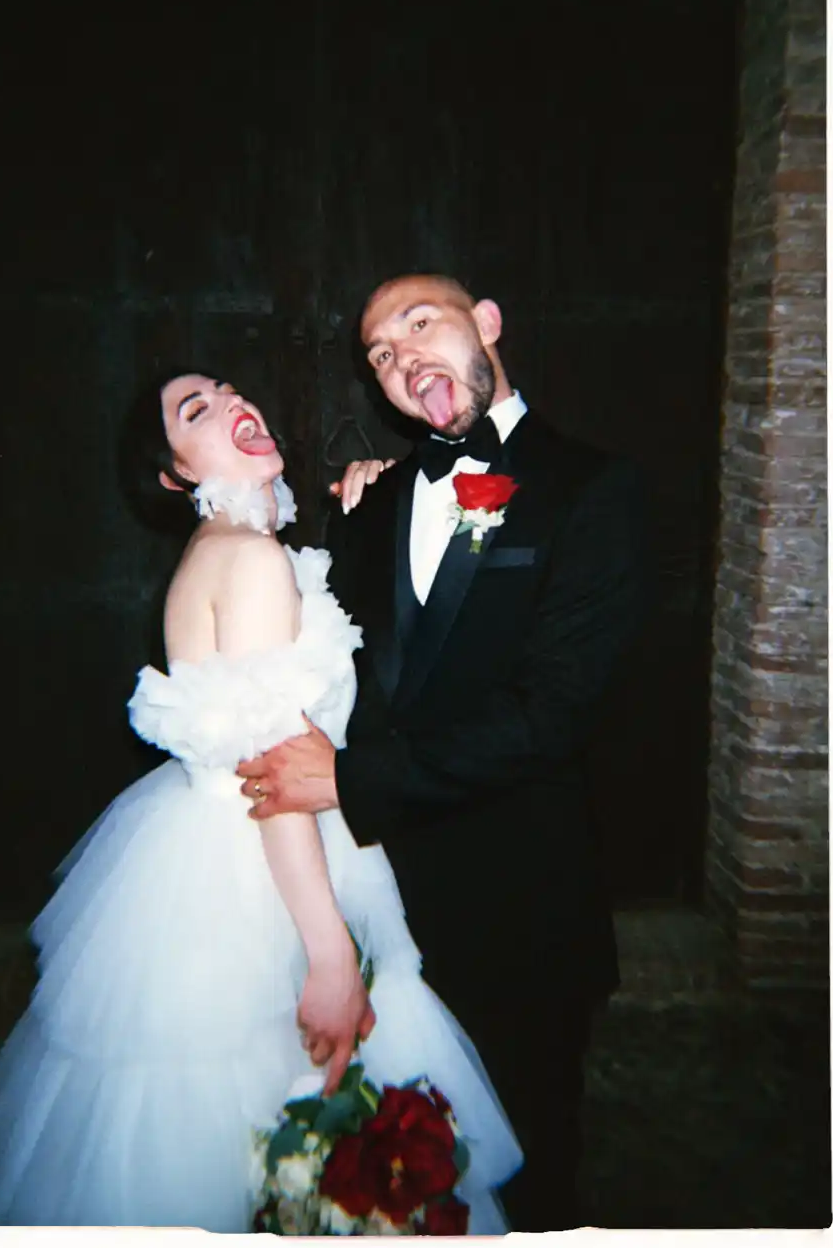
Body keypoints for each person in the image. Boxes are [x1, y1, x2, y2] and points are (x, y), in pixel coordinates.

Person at [0, 369, 522, 1231]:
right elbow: (276, 774)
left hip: (239, 847)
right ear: (175, 473)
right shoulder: (248, 560)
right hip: (263, 870)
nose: (232, 404)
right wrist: (329, 955)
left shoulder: (231, 550)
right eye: (197, 411)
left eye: (226, 390)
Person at [237, 275, 652, 1231]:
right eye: (382, 353)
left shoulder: (594, 488)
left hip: (521, 910)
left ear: (489, 324)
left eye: (421, 324)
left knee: (526, 1173)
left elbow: (552, 717)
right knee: (381, 1179)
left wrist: (347, 781)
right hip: (383, 901)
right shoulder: (375, 503)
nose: (404, 357)